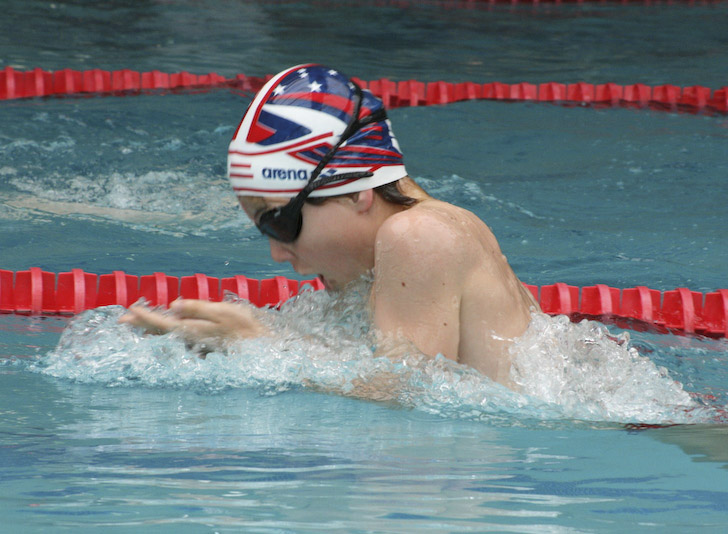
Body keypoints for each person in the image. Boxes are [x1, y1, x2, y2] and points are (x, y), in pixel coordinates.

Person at [119, 64, 538, 389]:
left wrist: (262, 346)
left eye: (282, 223)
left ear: (356, 192)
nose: (277, 253)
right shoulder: (390, 258)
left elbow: (409, 392)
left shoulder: (418, 235)